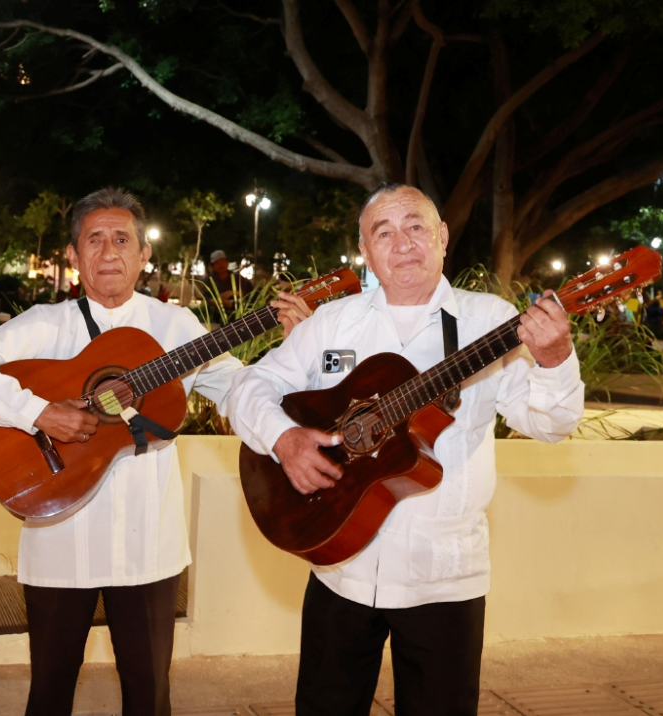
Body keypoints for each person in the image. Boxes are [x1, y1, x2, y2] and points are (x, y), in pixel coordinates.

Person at [0, 188, 311, 716]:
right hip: (58, 537)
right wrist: (37, 413)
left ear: (144, 255)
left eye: (122, 239)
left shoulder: (178, 328)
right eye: (94, 239)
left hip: (147, 546)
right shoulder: (44, 325)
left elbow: (240, 391)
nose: (109, 252)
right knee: (48, 693)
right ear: (72, 256)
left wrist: (293, 348)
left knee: (149, 695)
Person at [226, 184, 583, 715]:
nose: (403, 244)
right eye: (383, 233)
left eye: (416, 227)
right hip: (339, 561)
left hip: (444, 578)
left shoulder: (488, 322)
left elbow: (551, 423)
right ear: (366, 252)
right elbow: (248, 388)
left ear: (441, 237)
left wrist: (555, 358)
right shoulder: (333, 322)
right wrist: (283, 438)